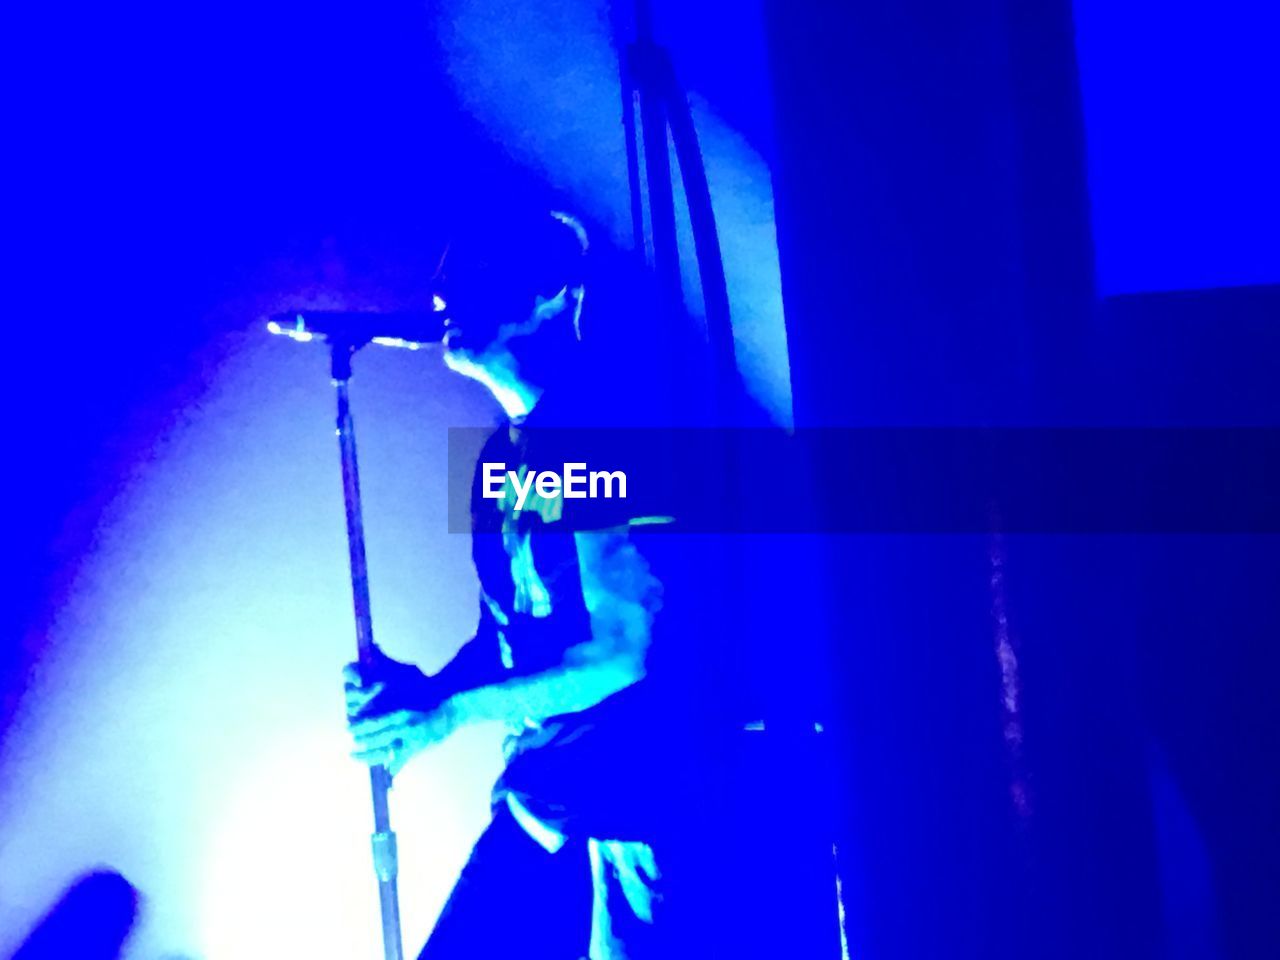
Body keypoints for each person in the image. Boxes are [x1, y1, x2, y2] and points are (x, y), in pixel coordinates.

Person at [342, 209, 709, 959]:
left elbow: (621, 656)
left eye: (471, 274)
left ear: (551, 295)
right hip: (551, 786)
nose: (441, 293)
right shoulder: (494, 463)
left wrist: (450, 712)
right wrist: (425, 695)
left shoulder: (606, 433)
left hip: (635, 793)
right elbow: (509, 647)